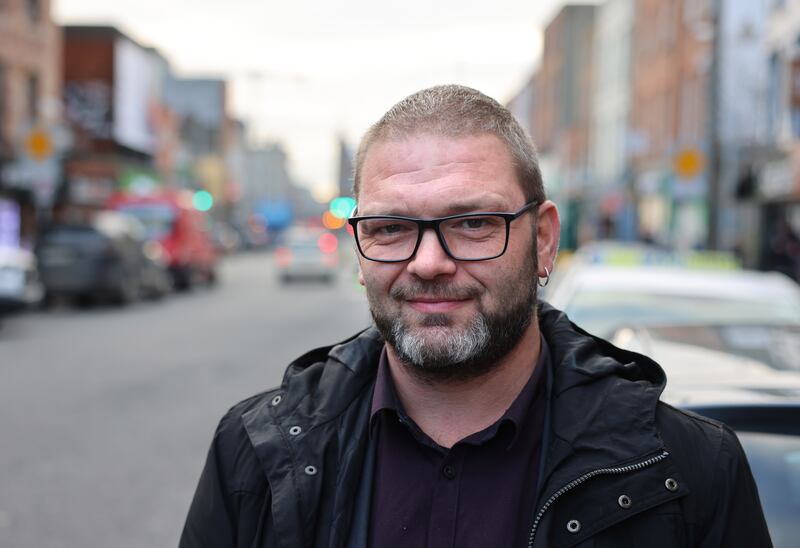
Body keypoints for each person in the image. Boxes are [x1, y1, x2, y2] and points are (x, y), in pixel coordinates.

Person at [179, 85, 772, 548]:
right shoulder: (254, 452)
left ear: (543, 240)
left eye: (472, 224)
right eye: (390, 228)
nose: (428, 263)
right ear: (359, 250)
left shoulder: (689, 470)